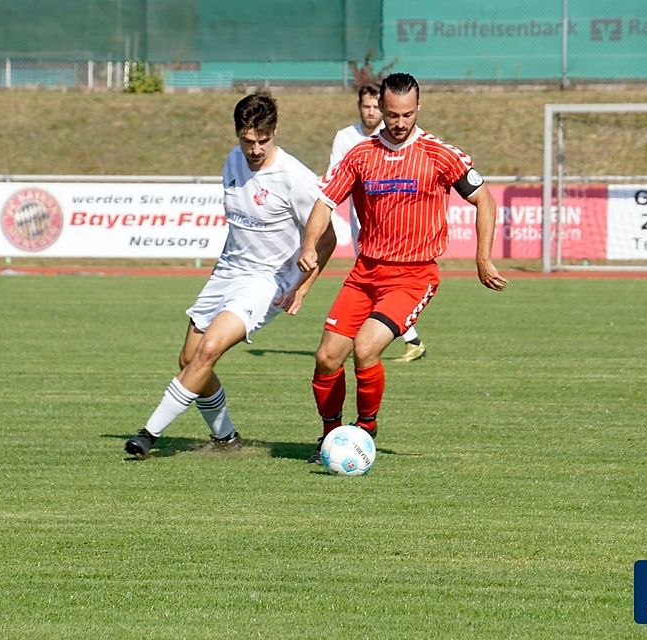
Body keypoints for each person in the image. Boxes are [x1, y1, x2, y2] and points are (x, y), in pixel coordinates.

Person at [298, 72, 507, 462]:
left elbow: (485, 200)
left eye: (407, 114)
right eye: (392, 114)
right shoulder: (360, 155)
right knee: (326, 357)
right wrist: (309, 244)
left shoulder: (439, 154)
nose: (399, 122)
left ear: (418, 108)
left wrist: (482, 258)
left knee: (365, 348)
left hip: (413, 276)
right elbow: (324, 203)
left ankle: (365, 430)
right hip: (365, 273)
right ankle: (330, 437)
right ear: (380, 107)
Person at [125, 93, 336, 459]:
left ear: (274, 131)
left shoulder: (294, 177)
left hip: (267, 281)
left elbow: (328, 237)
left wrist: (303, 287)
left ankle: (148, 435)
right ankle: (226, 439)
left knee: (208, 350)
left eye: (262, 140)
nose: (255, 149)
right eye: (247, 140)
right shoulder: (232, 160)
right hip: (228, 271)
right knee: (189, 359)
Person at [329, 83, 427, 363]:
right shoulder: (346, 138)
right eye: (366, 106)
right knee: (373, 288)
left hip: (395, 236)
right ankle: (402, 340)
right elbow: (334, 179)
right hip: (361, 229)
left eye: (375, 106)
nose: (371, 112)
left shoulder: (399, 137)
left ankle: (408, 340)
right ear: (359, 107)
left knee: (385, 288)